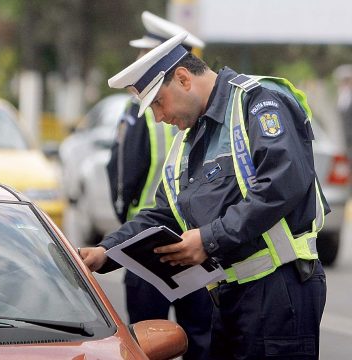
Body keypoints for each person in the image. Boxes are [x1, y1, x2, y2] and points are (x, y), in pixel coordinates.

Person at [80, 32, 329, 360]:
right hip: (228, 296)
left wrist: (209, 239)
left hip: (279, 291)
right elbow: (164, 214)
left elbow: (281, 184)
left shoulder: (258, 102)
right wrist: (105, 251)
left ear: (183, 78)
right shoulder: (187, 141)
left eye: (158, 102)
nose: (158, 117)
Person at [105, 11, 212, 360]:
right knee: (200, 336)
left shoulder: (186, 115)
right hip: (188, 237)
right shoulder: (197, 116)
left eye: (145, 55)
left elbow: (123, 173)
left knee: (149, 338)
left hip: (158, 246)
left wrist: (124, 214)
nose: (159, 116)